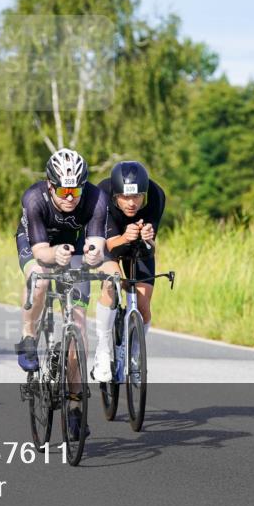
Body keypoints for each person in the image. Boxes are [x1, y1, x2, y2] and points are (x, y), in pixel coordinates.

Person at [15, 148, 107, 437]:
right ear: (50, 184)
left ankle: (76, 405)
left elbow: (96, 243)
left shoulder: (95, 198)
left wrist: (93, 256)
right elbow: (42, 251)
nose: (70, 196)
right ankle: (29, 337)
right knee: (40, 279)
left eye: (76, 190)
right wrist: (54, 254)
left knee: (78, 327)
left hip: (74, 248)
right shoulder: (34, 198)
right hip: (38, 243)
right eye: (64, 189)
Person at [91, 161, 166, 382]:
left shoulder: (156, 195)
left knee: (143, 304)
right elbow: (106, 245)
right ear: (115, 195)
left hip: (138, 247)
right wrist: (125, 237)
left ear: (144, 194)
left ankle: (134, 352)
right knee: (112, 283)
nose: (131, 203)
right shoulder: (100, 196)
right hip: (109, 243)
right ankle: (103, 350)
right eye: (125, 197)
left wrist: (149, 239)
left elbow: (151, 248)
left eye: (137, 197)